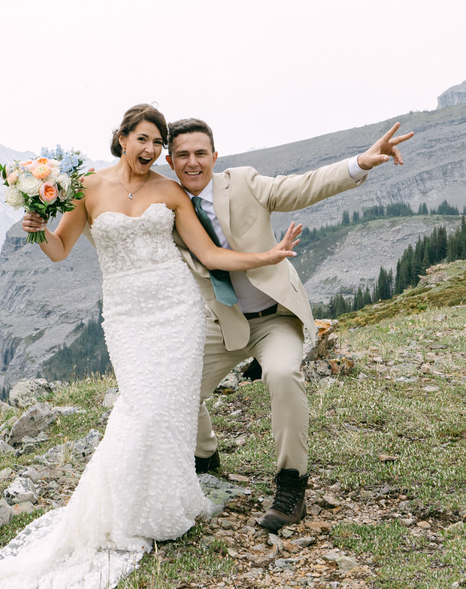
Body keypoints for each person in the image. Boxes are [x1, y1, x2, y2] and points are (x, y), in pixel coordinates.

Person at [0, 103, 303, 589]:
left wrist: (267, 256)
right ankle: (128, 505)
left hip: (176, 312)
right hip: (127, 317)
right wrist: (37, 227)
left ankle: (167, 498)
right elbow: (61, 250)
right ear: (122, 138)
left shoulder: (170, 192)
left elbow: (210, 255)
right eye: (142, 139)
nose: (151, 151)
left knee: (164, 409)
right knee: (142, 408)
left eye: (157, 142)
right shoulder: (86, 189)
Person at [165, 117, 413, 531]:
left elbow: (300, 187)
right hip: (222, 323)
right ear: (171, 161)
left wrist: (361, 162)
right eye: (183, 155)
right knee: (174, 387)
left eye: (200, 153)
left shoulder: (242, 182)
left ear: (215, 155)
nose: (193, 163)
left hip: (273, 318)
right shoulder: (167, 206)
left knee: (282, 374)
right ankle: (205, 460)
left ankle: (291, 484)